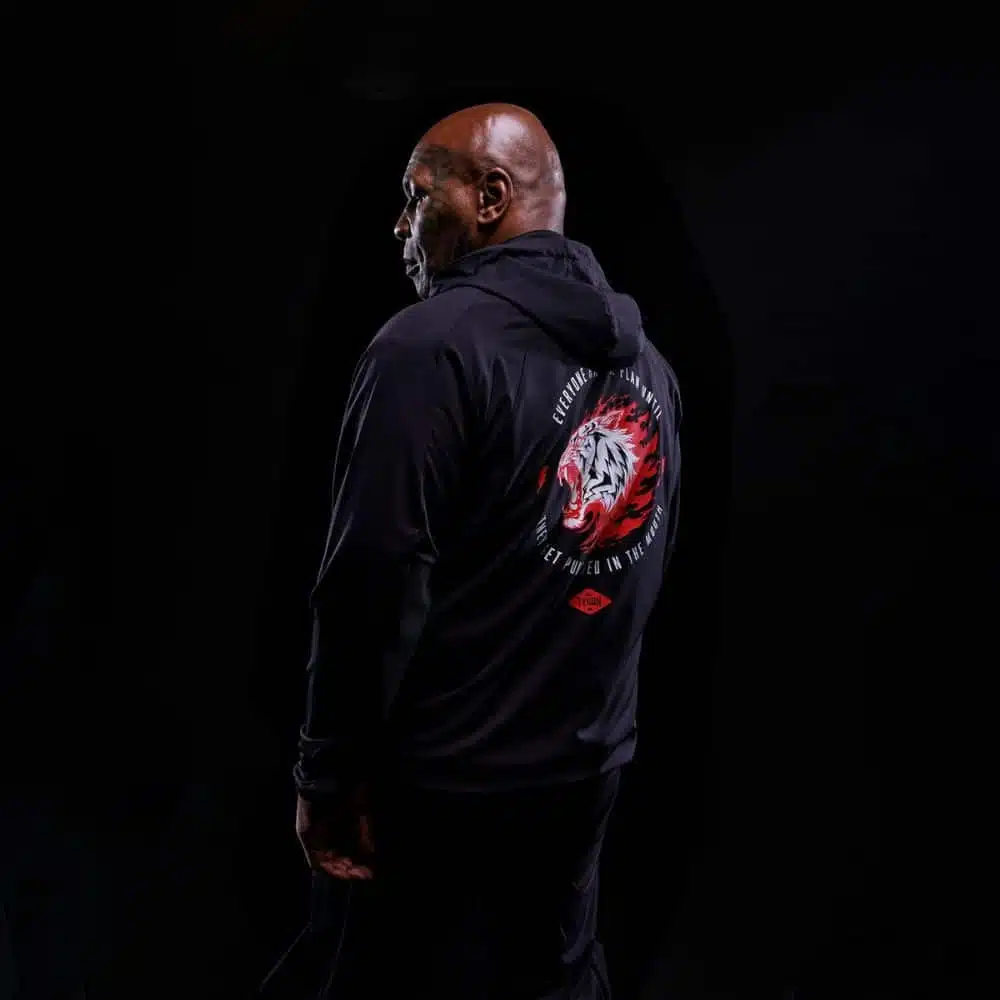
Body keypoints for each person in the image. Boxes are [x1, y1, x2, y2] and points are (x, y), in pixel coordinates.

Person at [292, 103, 682, 999]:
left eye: (416, 197)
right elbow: (639, 569)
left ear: (490, 197)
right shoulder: (650, 369)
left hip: (441, 785)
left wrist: (328, 772)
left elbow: (370, 582)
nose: (401, 226)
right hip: (584, 773)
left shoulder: (426, 350)